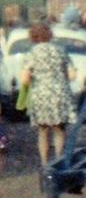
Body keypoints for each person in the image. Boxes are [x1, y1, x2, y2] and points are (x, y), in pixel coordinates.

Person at [20, 23, 76, 166]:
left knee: (43, 130)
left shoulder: (31, 53)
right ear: (49, 35)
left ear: (33, 37)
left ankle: (45, 164)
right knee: (59, 129)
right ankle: (58, 161)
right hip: (59, 93)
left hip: (41, 94)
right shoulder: (60, 51)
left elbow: (25, 79)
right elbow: (72, 75)